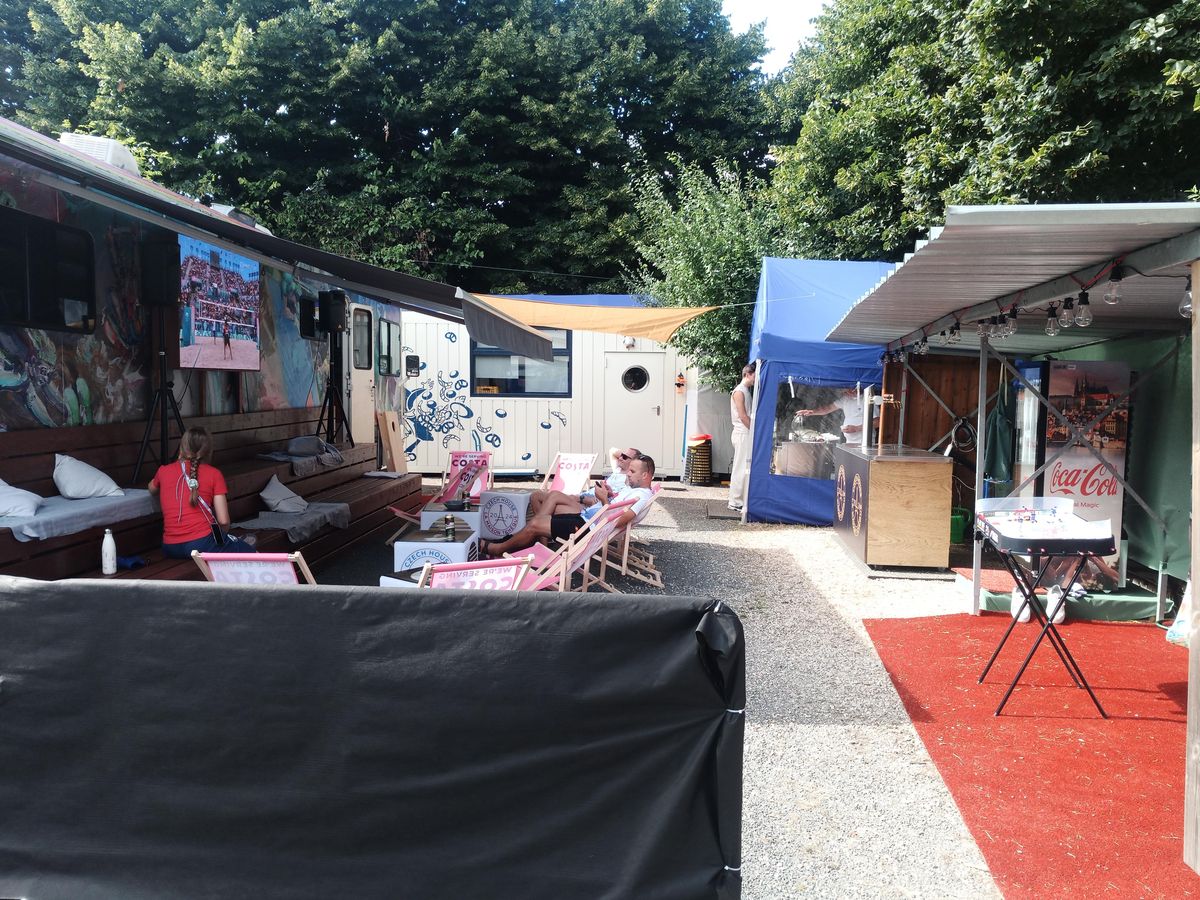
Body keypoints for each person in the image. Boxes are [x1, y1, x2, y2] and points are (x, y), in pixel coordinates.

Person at [482, 455, 656, 558]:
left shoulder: (641, 496)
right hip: (586, 519)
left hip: (588, 529)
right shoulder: (635, 489)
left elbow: (618, 521)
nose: (628, 474)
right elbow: (616, 508)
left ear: (645, 475)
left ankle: (500, 548)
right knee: (541, 518)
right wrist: (609, 496)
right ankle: (522, 543)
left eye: (632, 471)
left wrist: (603, 500)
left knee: (535, 524)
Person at [148, 426, 256, 558]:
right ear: (208, 451)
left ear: (181, 447)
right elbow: (223, 521)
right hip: (203, 544)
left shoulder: (163, 471)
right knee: (253, 554)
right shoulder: (214, 474)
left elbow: (151, 489)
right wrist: (221, 538)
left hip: (170, 547)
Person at [529, 446, 640, 518]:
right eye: (621, 455)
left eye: (625, 457)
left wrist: (581, 498)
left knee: (551, 500)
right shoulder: (617, 470)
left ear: (634, 462)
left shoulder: (628, 482)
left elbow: (607, 502)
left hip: (588, 505)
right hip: (583, 496)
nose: (620, 458)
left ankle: (540, 533)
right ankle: (542, 537)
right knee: (536, 495)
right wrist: (626, 455)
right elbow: (612, 450)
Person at [728, 364, 755, 511]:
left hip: (745, 432)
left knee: (744, 467)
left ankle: (739, 500)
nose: (756, 378)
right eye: (755, 375)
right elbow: (743, 416)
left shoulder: (745, 391)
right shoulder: (739, 391)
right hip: (742, 433)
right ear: (748, 374)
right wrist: (756, 432)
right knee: (740, 468)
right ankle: (735, 501)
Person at [798, 386, 871, 441]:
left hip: (864, 441)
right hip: (849, 441)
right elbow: (828, 408)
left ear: (856, 388)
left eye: (848, 390)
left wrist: (857, 428)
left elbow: (876, 421)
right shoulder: (845, 399)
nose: (846, 393)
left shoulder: (866, 399)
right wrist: (811, 412)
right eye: (845, 391)